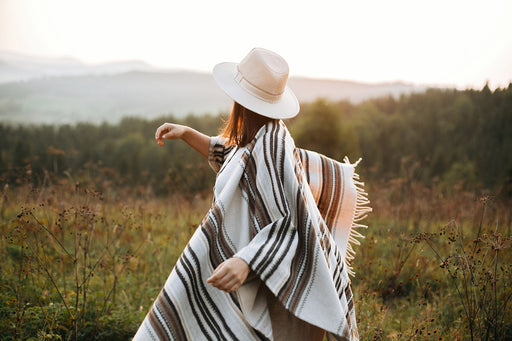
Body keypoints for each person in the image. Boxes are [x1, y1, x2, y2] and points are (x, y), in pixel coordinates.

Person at [133, 47, 370, 341]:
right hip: (268, 276)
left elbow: (288, 222)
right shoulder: (259, 137)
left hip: (280, 285)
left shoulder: (272, 146)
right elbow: (234, 159)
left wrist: (245, 262)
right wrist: (187, 134)